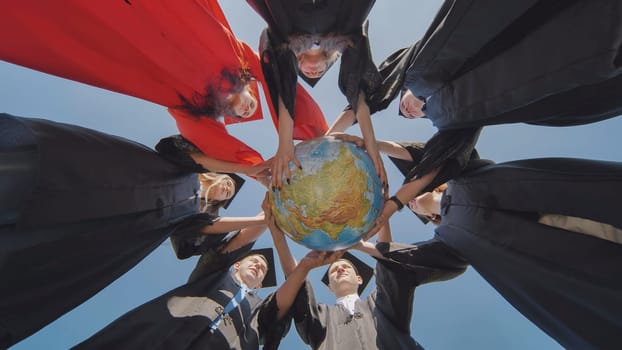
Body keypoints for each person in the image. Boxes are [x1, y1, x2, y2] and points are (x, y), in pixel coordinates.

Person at [0, 113, 268, 348]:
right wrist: (246, 169)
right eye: (227, 184)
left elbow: (202, 231)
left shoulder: (191, 215)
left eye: (229, 192)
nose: (227, 189)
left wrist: (261, 219)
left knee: (41, 253)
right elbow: (178, 150)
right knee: (33, 176)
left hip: (123, 231)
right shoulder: (185, 171)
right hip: (119, 174)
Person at [0, 0, 328, 179]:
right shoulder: (240, 56)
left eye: (242, 114)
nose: (245, 109)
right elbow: (281, 81)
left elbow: (196, 149)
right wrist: (302, 133)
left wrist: (250, 168)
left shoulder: (190, 107)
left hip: (121, 37)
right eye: (251, 105)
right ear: (256, 90)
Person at [369, 139, 622, 349]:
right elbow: (400, 262)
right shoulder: (450, 240)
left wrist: (374, 144)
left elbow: (438, 153)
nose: (411, 199)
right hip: (567, 266)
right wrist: (367, 234)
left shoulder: (466, 173)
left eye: (412, 190)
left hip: (570, 198)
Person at [72, 196, 342, 350]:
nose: (259, 265)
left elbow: (283, 303)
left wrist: (304, 266)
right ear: (236, 264)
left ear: (261, 284)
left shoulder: (259, 310)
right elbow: (234, 245)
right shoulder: (212, 275)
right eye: (254, 261)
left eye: (263, 269)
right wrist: (266, 218)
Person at [263, 198, 465, 350]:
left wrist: (381, 215)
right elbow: (296, 282)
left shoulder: (381, 302)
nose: (340, 268)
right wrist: (277, 234)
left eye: (346, 267)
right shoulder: (322, 317)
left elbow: (389, 263)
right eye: (334, 269)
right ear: (329, 285)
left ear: (359, 279)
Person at [400, 0, 622, 129]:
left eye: (403, 105)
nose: (409, 110)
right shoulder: (449, 116)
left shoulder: (422, 71)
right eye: (412, 116)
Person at [245, 0, 387, 189]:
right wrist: (371, 142)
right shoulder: (344, 32)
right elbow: (357, 91)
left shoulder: (285, 37)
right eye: (318, 72)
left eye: (308, 73)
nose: (313, 73)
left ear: (296, 63)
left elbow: (285, 83)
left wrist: (285, 141)